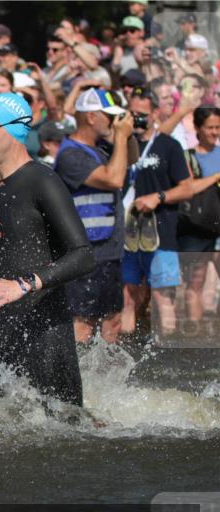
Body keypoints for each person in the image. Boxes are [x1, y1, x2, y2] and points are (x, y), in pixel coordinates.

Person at [0, 93, 95, 407]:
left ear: (16, 130)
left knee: (62, 430)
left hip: (43, 331)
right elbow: (5, 246)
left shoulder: (42, 180)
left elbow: (84, 255)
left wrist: (23, 285)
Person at [121, 88, 220, 337]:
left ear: (155, 113)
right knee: (130, 296)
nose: (137, 119)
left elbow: (186, 188)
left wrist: (159, 197)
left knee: (165, 295)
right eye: (132, 114)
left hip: (165, 232)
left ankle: (170, 358)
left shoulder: (168, 145)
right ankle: (123, 359)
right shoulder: (120, 144)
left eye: (142, 114)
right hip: (129, 235)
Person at [52, 89, 136, 345]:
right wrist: (120, 136)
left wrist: (127, 136)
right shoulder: (70, 154)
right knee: (83, 324)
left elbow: (130, 160)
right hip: (85, 254)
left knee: (112, 322)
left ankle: (108, 379)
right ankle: (76, 381)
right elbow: (114, 178)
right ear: (91, 117)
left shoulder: (99, 150)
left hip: (109, 252)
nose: (113, 122)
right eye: (108, 116)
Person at [177, 107, 220, 324]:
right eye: (210, 127)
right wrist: (215, 177)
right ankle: (196, 335)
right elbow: (188, 188)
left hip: (218, 226)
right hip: (197, 228)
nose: (214, 132)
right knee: (195, 281)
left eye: (218, 127)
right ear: (197, 128)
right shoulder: (188, 157)